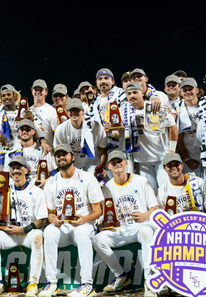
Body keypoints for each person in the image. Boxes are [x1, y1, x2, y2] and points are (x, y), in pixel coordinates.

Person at [39, 144, 103, 297]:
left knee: (81, 232)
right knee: (48, 231)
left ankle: (87, 284)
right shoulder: (51, 183)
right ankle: (51, 283)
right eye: (58, 155)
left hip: (84, 225)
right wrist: (53, 219)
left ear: (72, 157)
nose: (61, 157)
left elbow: (98, 210)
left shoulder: (87, 177)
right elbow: (51, 213)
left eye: (64, 154)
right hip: (63, 227)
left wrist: (84, 219)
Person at [92, 150, 158, 295]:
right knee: (98, 240)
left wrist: (146, 215)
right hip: (120, 230)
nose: (117, 164)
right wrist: (104, 225)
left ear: (126, 163)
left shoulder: (141, 181)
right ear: (108, 166)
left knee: (147, 232)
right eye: (113, 162)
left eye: (120, 161)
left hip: (140, 226)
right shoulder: (106, 188)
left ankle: (149, 281)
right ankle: (121, 276)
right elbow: (104, 216)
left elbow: (155, 208)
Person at [0, 156, 48, 297]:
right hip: (10, 233)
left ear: (27, 170)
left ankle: (32, 284)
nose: (16, 171)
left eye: (19, 168)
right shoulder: (4, 190)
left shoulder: (36, 191)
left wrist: (23, 230)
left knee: (38, 236)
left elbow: (42, 220)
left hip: (28, 232)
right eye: (13, 168)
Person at [121, 82, 177, 190]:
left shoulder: (155, 107)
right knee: (150, 191)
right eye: (129, 93)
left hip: (161, 157)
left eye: (135, 92)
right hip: (143, 160)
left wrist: (172, 149)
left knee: (166, 189)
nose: (132, 96)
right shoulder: (124, 111)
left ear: (142, 93)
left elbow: (173, 126)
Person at [53, 98, 107, 173]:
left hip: (93, 163)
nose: (74, 113)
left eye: (77, 110)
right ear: (67, 112)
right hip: (73, 165)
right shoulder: (60, 129)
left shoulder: (95, 125)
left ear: (82, 111)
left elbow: (103, 149)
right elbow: (59, 153)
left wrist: (102, 168)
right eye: (71, 110)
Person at [90, 68, 125, 150]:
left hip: (121, 145)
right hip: (102, 147)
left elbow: (126, 120)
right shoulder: (94, 102)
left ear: (112, 81)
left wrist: (112, 131)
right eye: (100, 79)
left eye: (106, 78)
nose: (103, 81)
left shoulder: (121, 94)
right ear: (96, 83)